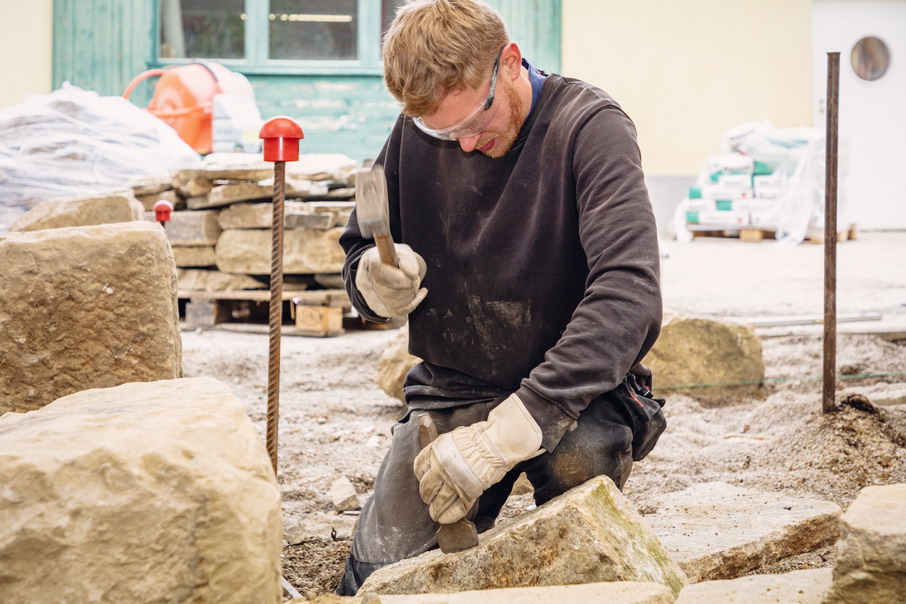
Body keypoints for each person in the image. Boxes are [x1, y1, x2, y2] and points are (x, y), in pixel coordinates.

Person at [337, 0, 666, 594]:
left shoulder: (590, 128)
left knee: (579, 483)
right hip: (454, 383)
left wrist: (510, 431)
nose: (463, 146)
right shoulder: (416, 129)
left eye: (475, 121)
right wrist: (371, 281)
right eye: (444, 131)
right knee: (380, 573)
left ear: (510, 61)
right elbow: (361, 245)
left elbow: (629, 291)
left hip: (578, 392)